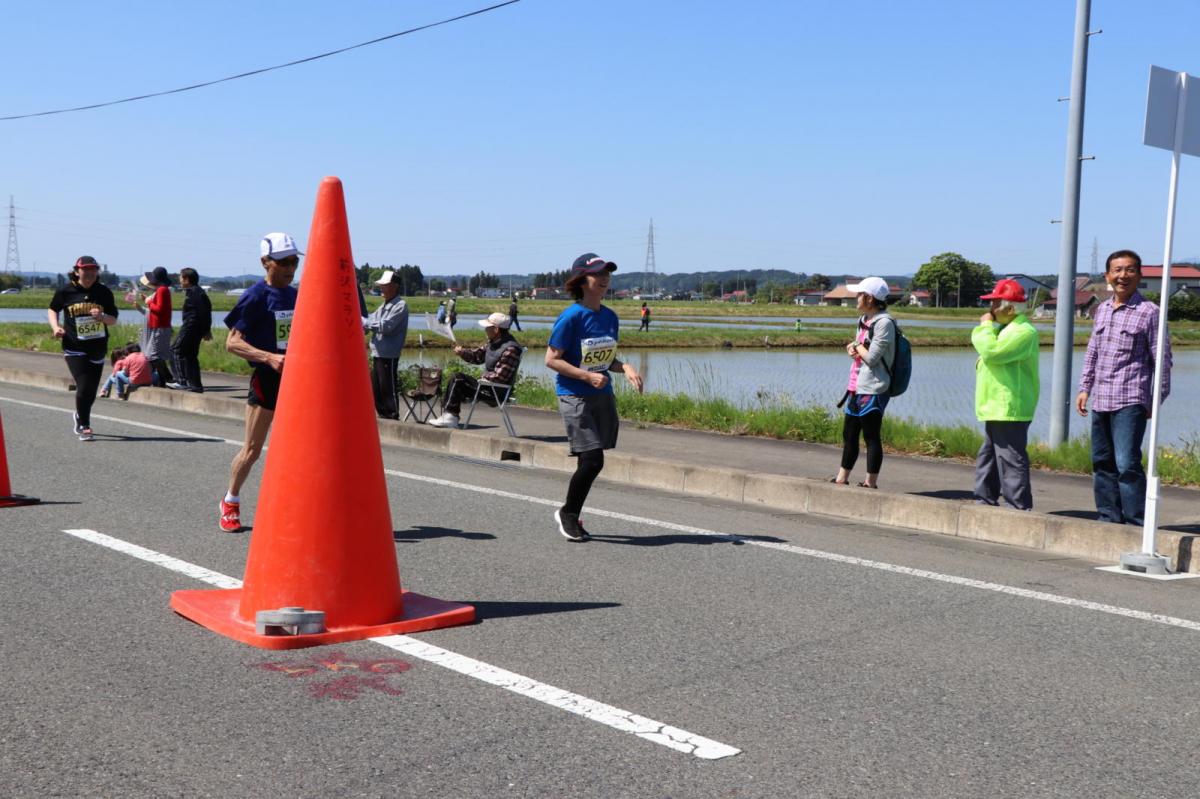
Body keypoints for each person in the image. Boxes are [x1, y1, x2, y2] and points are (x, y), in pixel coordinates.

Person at [545, 253, 644, 542]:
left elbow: (607, 359)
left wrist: (624, 367)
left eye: (607, 273)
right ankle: (568, 514)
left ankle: (572, 512)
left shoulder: (610, 317)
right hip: (574, 394)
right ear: (581, 281)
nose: (604, 278)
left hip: (602, 394)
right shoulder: (571, 317)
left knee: (590, 460)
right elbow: (551, 360)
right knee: (592, 460)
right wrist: (586, 376)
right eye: (598, 274)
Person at [1076, 249, 1172, 525]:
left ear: (1139, 275)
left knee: (1127, 464)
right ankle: (1108, 517)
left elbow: (1162, 360)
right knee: (1102, 462)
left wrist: (1156, 399)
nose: (1123, 275)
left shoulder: (1149, 312)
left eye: (1129, 270)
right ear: (1107, 276)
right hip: (1102, 398)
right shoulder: (1102, 310)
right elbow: (1093, 351)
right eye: (1117, 270)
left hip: (1131, 399)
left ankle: (1137, 522)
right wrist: (1085, 388)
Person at [218, 232, 301, 532]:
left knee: (302, 450)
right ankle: (231, 500)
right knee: (253, 449)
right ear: (266, 262)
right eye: (284, 262)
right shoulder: (255, 295)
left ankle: (297, 506)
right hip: (268, 378)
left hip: (299, 381)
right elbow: (232, 343)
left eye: (294, 261)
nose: (291, 268)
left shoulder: (297, 295)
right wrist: (269, 358)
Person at [971, 278, 1039, 510]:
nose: (990, 310)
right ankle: (984, 499)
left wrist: (984, 327)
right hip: (996, 405)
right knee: (989, 456)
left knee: (1010, 459)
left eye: (995, 304)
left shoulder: (1023, 331)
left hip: (1009, 406)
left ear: (1010, 308)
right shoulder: (1005, 328)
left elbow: (992, 352)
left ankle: (1017, 508)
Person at [830, 277, 895, 489]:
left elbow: (872, 357)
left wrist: (856, 347)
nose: (856, 298)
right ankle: (842, 477)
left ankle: (870, 482)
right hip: (856, 384)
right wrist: (852, 346)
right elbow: (859, 347)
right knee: (849, 433)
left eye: (859, 294)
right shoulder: (863, 319)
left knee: (871, 435)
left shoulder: (884, 323)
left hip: (874, 387)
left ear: (869, 298)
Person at [47, 256, 119, 441]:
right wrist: (56, 327)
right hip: (74, 346)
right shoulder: (66, 290)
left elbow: (113, 320)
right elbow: (53, 309)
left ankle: (80, 414)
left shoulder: (103, 292)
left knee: (91, 388)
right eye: (85, 269)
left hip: (97, 346)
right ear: (77, 271)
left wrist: (102, 316)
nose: (89, 273)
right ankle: (84, 424)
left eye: (93, 269)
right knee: (84, 383)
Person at [429, 312, 522, 429]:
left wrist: (482, 378)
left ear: (496, 329)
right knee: (457, 378)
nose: (485, 330)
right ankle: (449, 415)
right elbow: (477, 357)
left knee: (457, 379)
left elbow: (500, 377)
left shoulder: (511, 349)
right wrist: (462, 352)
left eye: (487, 327)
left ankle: (451, 417)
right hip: (487, 385)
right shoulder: (492, 343)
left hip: (496, 392)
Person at [363, 269, 410, 419]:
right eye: (381, 285)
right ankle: (383, 415)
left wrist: (365, 322)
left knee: (387, 387)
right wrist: (365, 322)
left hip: (388, 355)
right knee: (376, 388)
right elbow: (371, 319)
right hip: (378, 352)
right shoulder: (384, 305)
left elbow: (386, 326)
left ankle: (392, 415)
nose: (381, 288)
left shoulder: (400, 305)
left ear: (394, 286)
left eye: (385, 285)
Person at [168, 267, 212, 392]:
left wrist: (206, 330)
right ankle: (195, 385)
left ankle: (181, 381)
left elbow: (203, 312)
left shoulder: (194, 292)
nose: (180, 281)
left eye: (181, 278)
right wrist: (206, 329)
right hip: (195, 328)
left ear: (187, 279)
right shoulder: (197, 291)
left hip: (191, 327)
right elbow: (206, 312)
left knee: (175, 350)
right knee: (190, 356)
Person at [135, 266, 175, 386]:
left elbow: (160, 309)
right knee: (155, 355)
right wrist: (148, 300)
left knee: (153, 355)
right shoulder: (162, 290)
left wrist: (148, 302)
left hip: (160, 326)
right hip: (158, 326)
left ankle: (167, 378)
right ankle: (162, 381)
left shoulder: (162, 290)